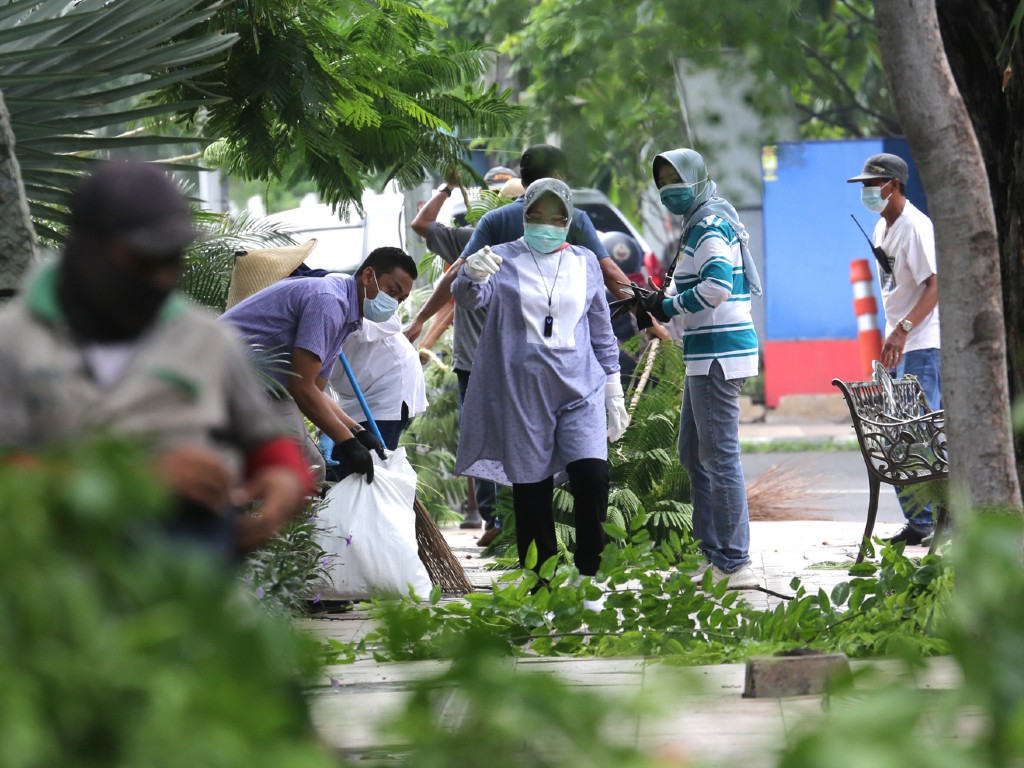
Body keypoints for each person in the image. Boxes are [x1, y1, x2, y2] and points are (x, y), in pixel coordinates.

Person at [0, 160, 313, 555]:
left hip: (183, 581)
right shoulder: (13, 341)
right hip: (55, 583)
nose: (164, 276)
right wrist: (133, 481)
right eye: (145, 260)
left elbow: (263, 440)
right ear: (87, 250)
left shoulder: (208, 341)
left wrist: (282, 477)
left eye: (173, 258)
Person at [452, 178, 629, 579]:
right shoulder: (500, 258)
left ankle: (590, 574)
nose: (547, 223)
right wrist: (470, 275)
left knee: (592, 477)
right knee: (532, 490)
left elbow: (601, 329)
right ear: (525, 214)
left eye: (557, 216)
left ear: (569, 219)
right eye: (537, 214)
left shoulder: (585, 261)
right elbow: (468, 299)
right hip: (523, 392)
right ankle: (542, 581)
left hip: (580, 387)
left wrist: (613, 386)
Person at [641, 147, 762, 589]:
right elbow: (688, 288)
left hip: (718, 355)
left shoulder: (710, 224)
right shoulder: (697, 226)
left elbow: (715, 287)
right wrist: (658, 305)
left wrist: (668, 304)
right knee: (693, 452)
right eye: (661, 182)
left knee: (718, 455)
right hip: (704, 353)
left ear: (696, 178)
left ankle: (732, 559)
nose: (667, 189)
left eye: (675, 178)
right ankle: (712, 550)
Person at [221, 247, 418, 486]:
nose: (393, 303)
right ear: (368, 276)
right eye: (392, 291)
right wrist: (348, 443)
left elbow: (315, 387)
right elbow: (302, 388)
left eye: (400, 299)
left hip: (267, 389)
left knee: (313, 470)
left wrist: (358, 432)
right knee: (297, 471)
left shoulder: (348, 317)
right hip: (228, 378)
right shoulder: (329, 301)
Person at [407, 166, 523, 541]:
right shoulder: (474, 240)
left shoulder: (516, 246)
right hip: (485, 360)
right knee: (493, 438)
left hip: (496, 360)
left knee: (492, 438)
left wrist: (447, 188)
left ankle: (502, 519)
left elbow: (422, 226)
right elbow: (456, 290)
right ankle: (498, 520)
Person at [848, 152, 941, 546]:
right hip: (896, 347)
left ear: (894, 186)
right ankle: (920, 522)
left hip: (921, 344)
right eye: (865, 185)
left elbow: (935, 286)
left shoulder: (916, 228)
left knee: (918, 436)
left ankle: (941, 517)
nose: (868, 192)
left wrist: (902, 330)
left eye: (874, 185)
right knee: (895, 436)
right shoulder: (881, 228)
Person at [320, 313, 428, 481]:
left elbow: (392, 322)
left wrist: (346, 323)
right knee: (338, 469)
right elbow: (313, 384)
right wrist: (325, 428)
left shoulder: (336, 294)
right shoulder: (291, 327)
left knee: (368, 466)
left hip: (389, 381)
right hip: (350, 393)